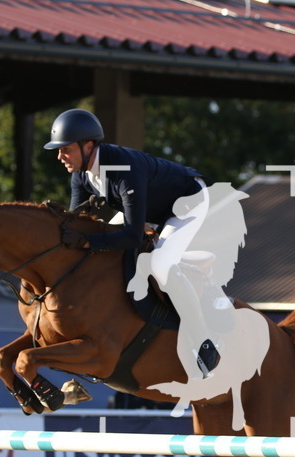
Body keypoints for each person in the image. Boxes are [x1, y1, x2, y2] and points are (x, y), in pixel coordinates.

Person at [44, 108, 224, 378]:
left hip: (187, 202)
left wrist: (86, 243)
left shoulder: (122, 169)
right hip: (152, 210)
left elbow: (130, 236)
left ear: (88, 146)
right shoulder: (80, 174)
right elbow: (77, 221)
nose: (60, 157)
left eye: (65, 149)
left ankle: (204, 342)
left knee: (161, 265)